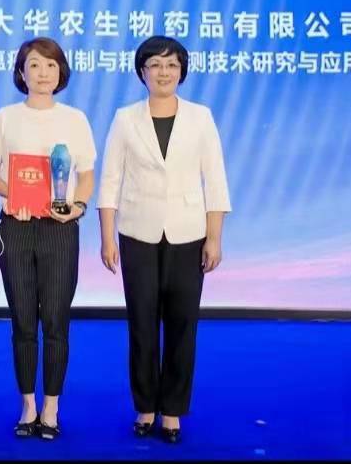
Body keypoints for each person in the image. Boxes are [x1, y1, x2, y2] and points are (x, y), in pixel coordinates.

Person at [96, 35, 231, 444]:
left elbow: (216, 181)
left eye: (171, 65)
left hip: (189, 234)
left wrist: (214, 238)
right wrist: (106, 237)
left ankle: (172, 410)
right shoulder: (125, 119)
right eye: (155, 64)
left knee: (182, 324)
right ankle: (146, 407)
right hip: (137, 232)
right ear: (142, 72)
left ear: (182, 72)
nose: (163, 72)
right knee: (141, 324)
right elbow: (110, 180)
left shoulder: (201, 118)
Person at [0, 37, 96, 441]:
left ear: (60, 71)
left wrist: (78, 206)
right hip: (16, 226)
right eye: (34, 65)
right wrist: (13, 195)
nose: (43, 73)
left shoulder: (75, 119)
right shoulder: (5, 118)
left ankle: (52, 405)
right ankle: (28, 404)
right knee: (23, 320)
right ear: (21, 72)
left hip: (59, 229)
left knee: (56, 320)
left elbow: (86, 175)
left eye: (50, 65)